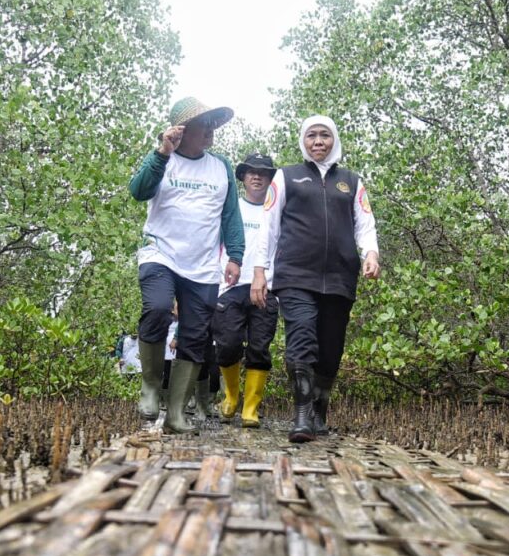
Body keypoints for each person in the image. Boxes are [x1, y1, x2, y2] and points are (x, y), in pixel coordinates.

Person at [251, 116, 380, 442]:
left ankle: (320, 410)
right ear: (303, 140)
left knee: (331, 348)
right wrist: (259, 272)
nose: (318, 141)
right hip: (295, 273)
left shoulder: (351, 181)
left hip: (339, 276)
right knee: (302, 337)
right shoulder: (286, 177)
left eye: (324, 135)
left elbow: (365, 223)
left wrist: (371, 254)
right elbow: (268, 226)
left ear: (333, 140)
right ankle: (302, 417)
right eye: (312, 135)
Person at [129, 97, 244, 434]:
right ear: (181, 131)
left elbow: (231, 216)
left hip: (203, 264)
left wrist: (235, 256)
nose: (209, 131)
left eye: (211, 125)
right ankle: (150, 388)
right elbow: (138, 191)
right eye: (202, 125)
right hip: (160, 253)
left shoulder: (220, 166)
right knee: (158, 307)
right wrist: (162, 153)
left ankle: (177, 414)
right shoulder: (163, 160)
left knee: (196, 335)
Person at [213, 153, 279, 428]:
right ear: (242, 177)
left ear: (270, 179)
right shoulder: (230, 209)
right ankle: (231, 396)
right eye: (250, 172)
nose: (256, 176)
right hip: (230, 287)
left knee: (259, 348)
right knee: (227, 345)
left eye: (263, 172)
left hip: (267, 287)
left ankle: (251, 408)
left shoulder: (277, 210)